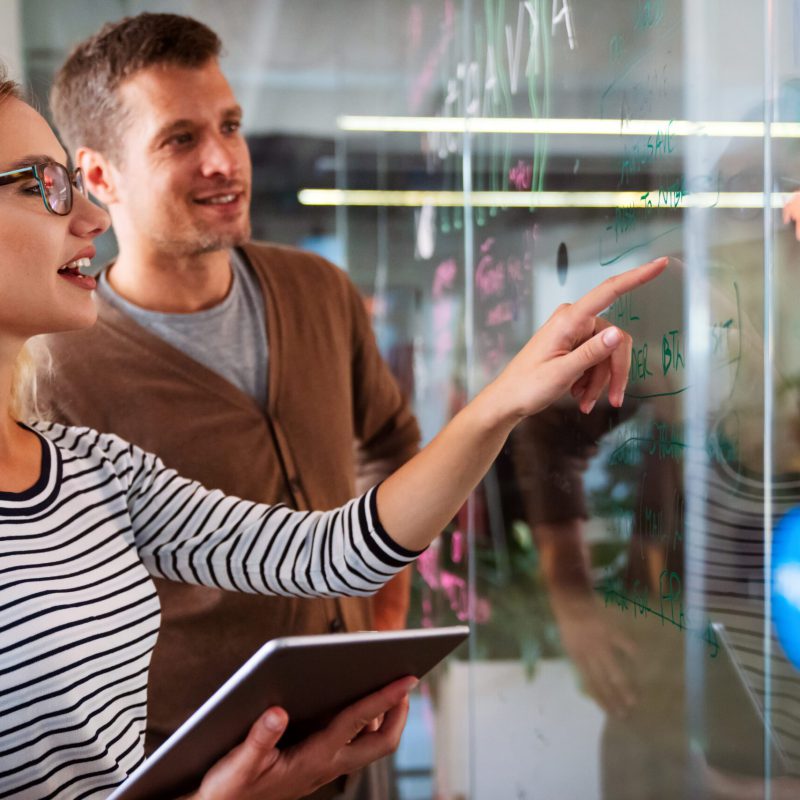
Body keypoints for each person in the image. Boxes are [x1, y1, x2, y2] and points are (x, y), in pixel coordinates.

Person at [0, 60, 666, 797]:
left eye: (229, 127)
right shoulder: (86, 389)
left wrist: (506, 397)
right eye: (40, 186)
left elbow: (330, 551)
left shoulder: (95, 472)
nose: (88, 219)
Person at [42, 16, 421, 795]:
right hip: (194, 770)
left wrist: (384, 623)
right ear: (100, 177)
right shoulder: (57, 367)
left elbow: (391, 443)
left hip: (352, 739)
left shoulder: (318, 291)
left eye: (231, 126)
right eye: (180, 139)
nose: (225, 160)